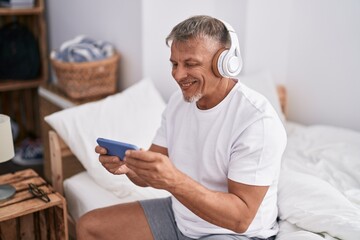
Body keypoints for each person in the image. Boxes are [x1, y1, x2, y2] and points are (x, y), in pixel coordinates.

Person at [77, 15, 287, 240]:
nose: (177, 75)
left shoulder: (256, 121)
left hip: (233, 233)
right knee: (89, 226)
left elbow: (240, 219)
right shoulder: (179, 102)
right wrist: (129, 168)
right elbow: (148, 175)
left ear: (224, 62)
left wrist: (174, 181)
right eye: (174, 63)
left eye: (190, 64)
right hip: (181, 215)